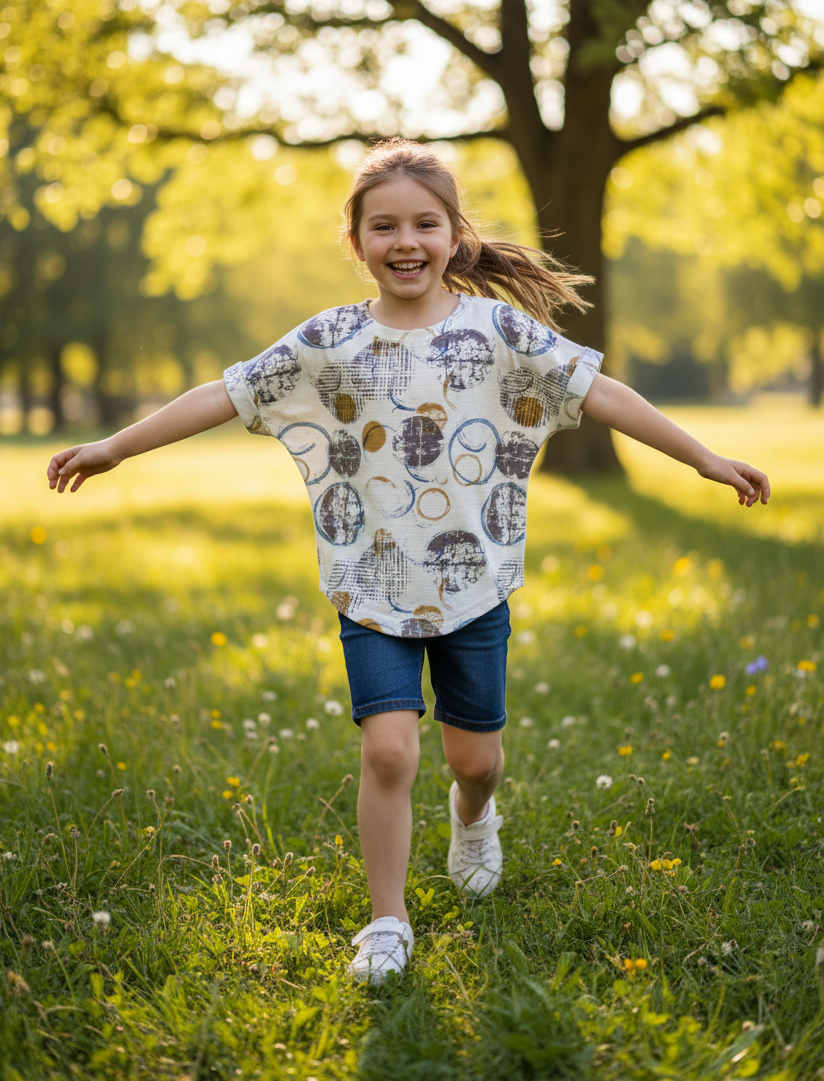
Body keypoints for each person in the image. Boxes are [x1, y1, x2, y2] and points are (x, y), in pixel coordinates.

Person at [48, 139, 770, 986]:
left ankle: (475, 820)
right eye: (383, 225)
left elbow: (599, 391)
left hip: (474, 586)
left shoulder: (496, 329)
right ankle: (386, 922)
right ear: (355, 241)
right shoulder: (331, 339)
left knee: (476, 761)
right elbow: (228, 392)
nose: (405, 241)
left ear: (455, 235)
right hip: (372, 582)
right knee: (389, 752)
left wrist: (703, 458)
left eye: (425, 223)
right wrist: (116, 446)